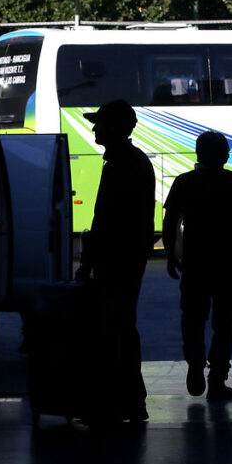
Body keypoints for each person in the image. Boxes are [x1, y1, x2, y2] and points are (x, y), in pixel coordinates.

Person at [162, 131, 232, 401]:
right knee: (224, 323)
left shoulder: (184, 183)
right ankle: (217, 378)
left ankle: (195, 359)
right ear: (225, 155)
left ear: (198, 153)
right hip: (228, 264)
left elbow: (170, 223)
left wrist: (172, 256)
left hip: (195, 263)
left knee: (193, 316)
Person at [77, 99, 155, 423]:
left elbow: (106, 219)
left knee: (113, 329)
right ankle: (131, 402)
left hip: (116, 259)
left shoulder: (121, 164)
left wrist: (88, 260)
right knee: (123, 326)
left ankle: (116, 405)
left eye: (100, 122)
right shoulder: (133, 161)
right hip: (128, 258)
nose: (95, 128)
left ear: (115, 127)